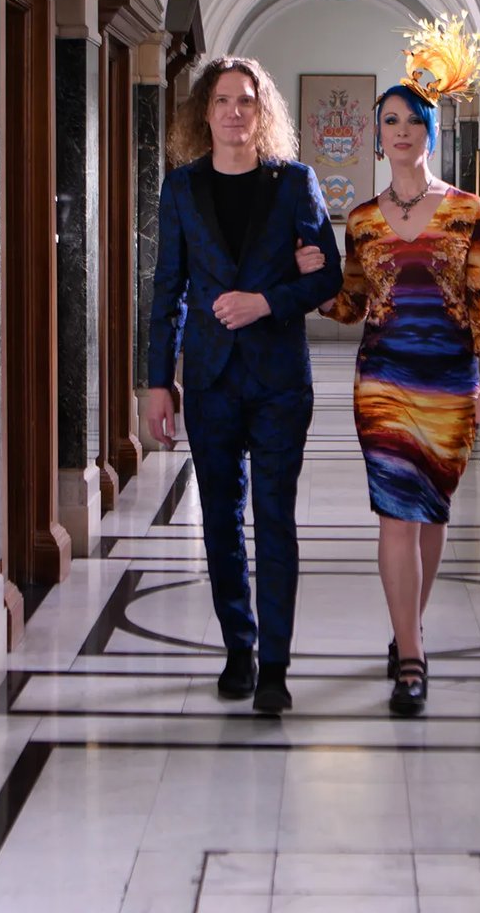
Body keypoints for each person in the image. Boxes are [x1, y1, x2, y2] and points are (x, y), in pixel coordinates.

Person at [145, 56, 343, 714]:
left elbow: (328, 278)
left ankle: (275, 668)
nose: (235, 111)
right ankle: (238, 647)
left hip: (281, 379)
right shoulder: (180, 189)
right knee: (221, 521)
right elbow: (166, 291)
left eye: (248, 101)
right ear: (205, 111)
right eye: (224, 100)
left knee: (275, 518)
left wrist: (266, 301)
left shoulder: (294, 184)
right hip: (207, 379)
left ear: (263, 113)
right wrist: (157, 382)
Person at [321, 14, 480, 716]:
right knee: (396, 516)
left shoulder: (466, 211)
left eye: (411, 119)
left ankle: (408, 631)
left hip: (451, 384)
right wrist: (303, 282)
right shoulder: (362, 219)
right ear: (377, 135)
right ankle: (411, 656)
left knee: (431, 516)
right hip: (383, 383)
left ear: (429, 129)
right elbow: (351, 303)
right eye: (388, 120)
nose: (400, 130)